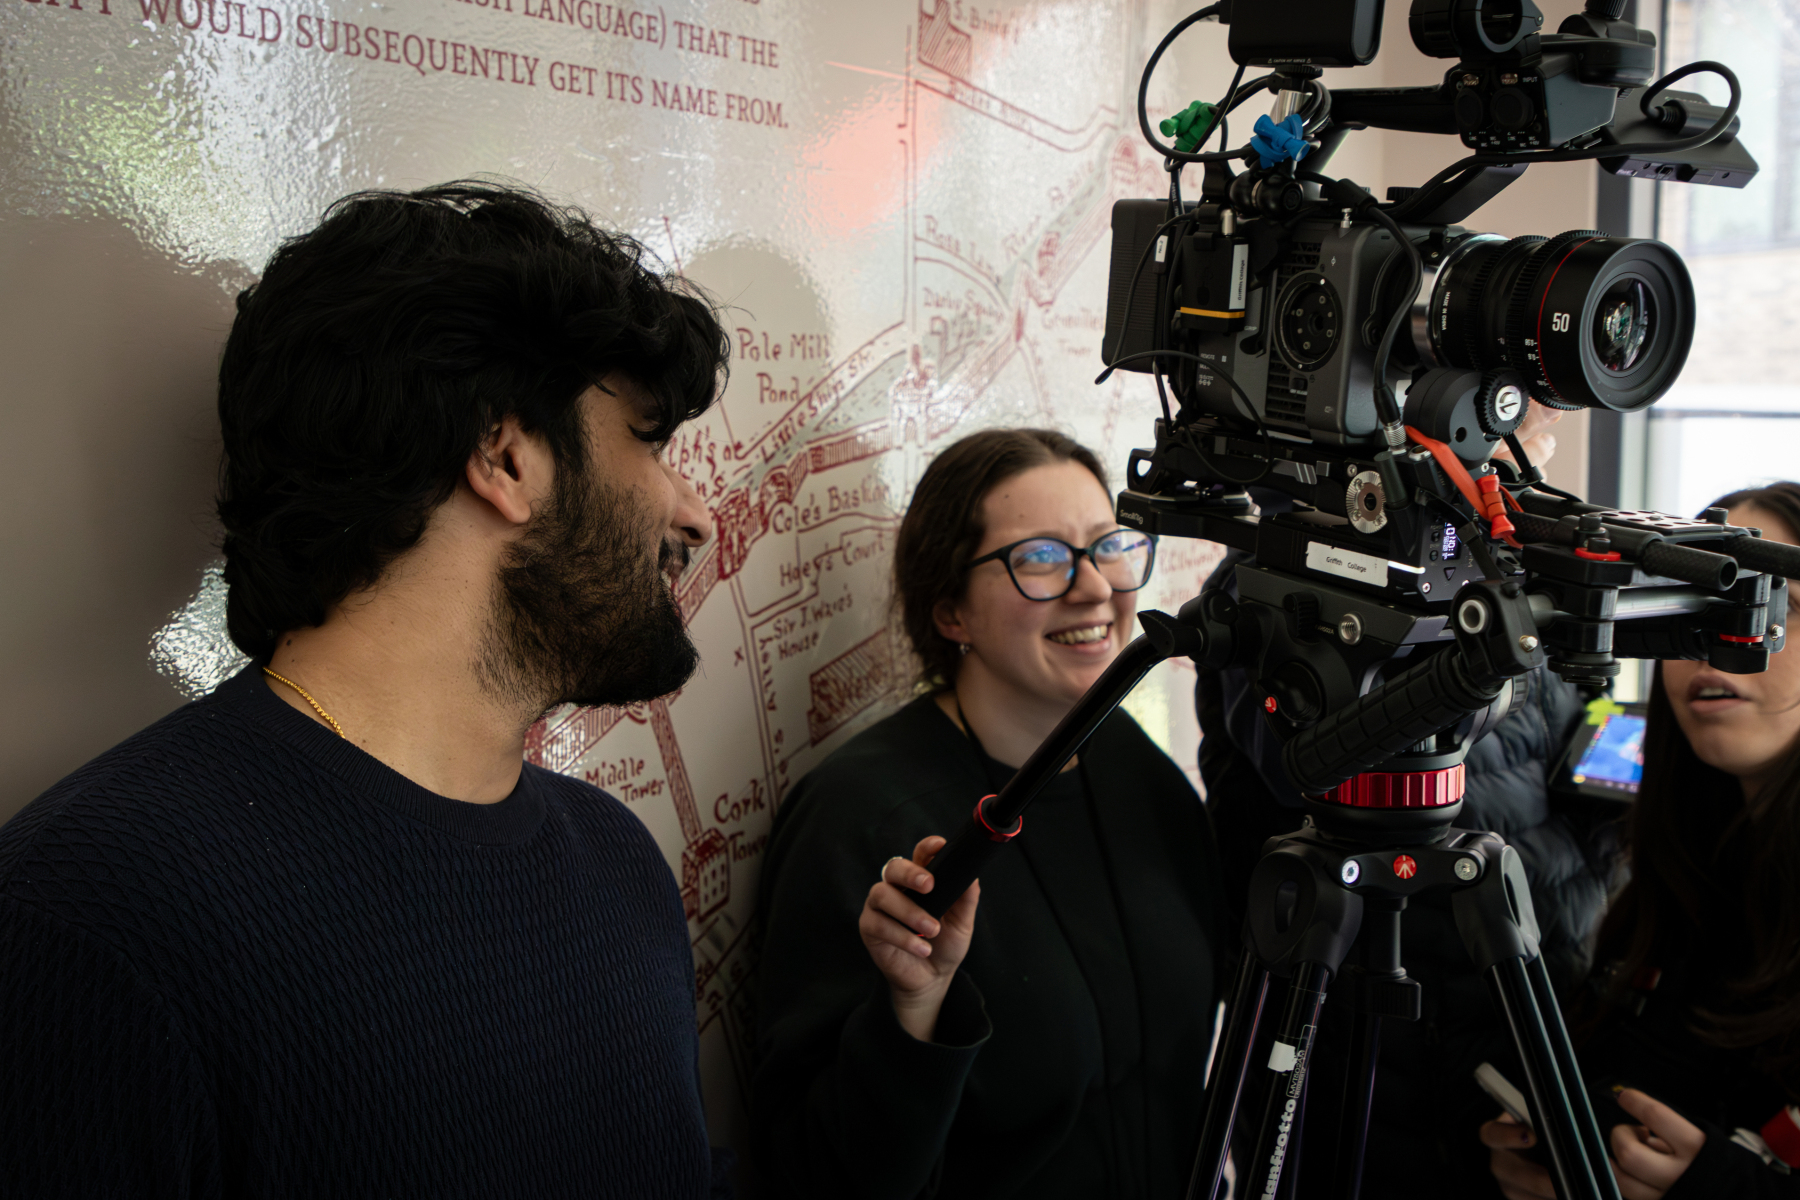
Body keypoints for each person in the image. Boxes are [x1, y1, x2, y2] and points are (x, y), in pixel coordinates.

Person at [0, 182, 735, 1197]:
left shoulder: (616, 863)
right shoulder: (91, 921)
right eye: (650, 443)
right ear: (506, 455)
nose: (697, 515)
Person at [752, 428, 1226, 1199]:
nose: (1094, 588)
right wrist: (914, 1010)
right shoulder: (860, 817)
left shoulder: (1134, 766)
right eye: (1039, 557)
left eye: (1108, 545)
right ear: (950, 612)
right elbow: (813, 1174)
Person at [1194, 401, 1620, 1197]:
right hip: (1341, 1057)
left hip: (1510, 1046)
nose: (1540, 420)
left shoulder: (1516, 576)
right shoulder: (1278, 577)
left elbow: (1578, 777)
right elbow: (1314, 766)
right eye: (1504, 405)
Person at [1484, 481, 1800, 1200]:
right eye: (1692, 607)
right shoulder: (1670, 893)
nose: (1718, 642)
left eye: (1771, 605)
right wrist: (1544, 1159)